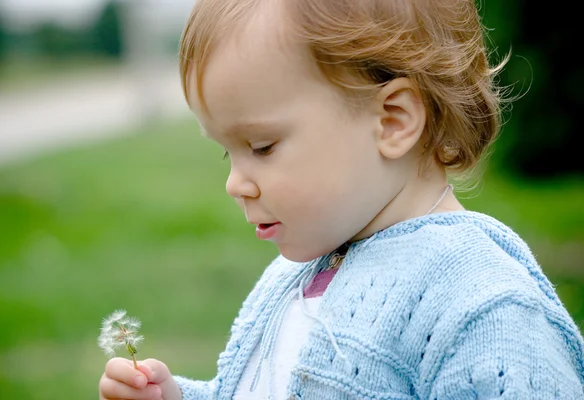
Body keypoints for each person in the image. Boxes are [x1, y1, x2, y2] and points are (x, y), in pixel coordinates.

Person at [99, 0, 584, 398]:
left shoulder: (482, 306)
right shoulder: (293, 276)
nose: (236, 184)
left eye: (262, 147)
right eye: (228, 155)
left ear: (392, 121)